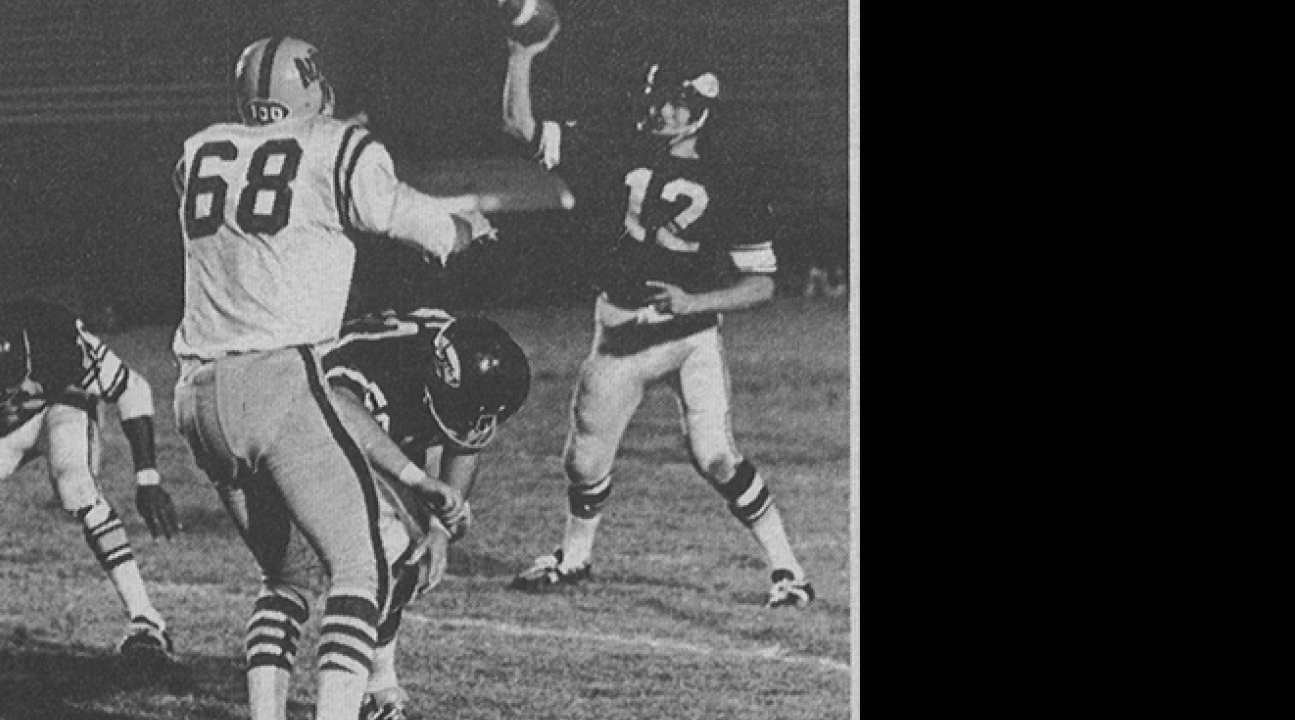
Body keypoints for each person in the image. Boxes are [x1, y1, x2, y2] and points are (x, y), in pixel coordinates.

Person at [170, 36, 497, 720]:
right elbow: (409, 222)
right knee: (362, 570)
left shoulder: (201, 147)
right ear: (315, 91)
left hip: (198, 396)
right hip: (278, 379)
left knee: (284, 577)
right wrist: (464, 226)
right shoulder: (337, 144)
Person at [499, 28, 814, 607]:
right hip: (619, 333)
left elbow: (763, 284)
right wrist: (522, 55)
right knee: (583, 460)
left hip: (689, 337)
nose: (663, 108)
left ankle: (787, 569)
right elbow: (520, 127)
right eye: (660, 96)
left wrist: (698, 303)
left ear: (701, 111)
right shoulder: (617, 150)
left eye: (677, 100)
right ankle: (575, 558)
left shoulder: (731, 178)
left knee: (716, 454)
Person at [0, 300, 182, 660]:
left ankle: (146, 620)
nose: (7, 400)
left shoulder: (54, 339)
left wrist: (147, 478)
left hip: (57, 407)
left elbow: (133, 388)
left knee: (76, 486)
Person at [319, 308, 530, 720]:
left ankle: (378, 687)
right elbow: (341, 408)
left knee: (413, 551)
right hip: (315, 428)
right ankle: (354, 700)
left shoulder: (459, 365)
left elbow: (465, 444)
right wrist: (416, 479)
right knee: (382, 553)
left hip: (383, 431)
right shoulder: (384, 361)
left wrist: (439, 528)